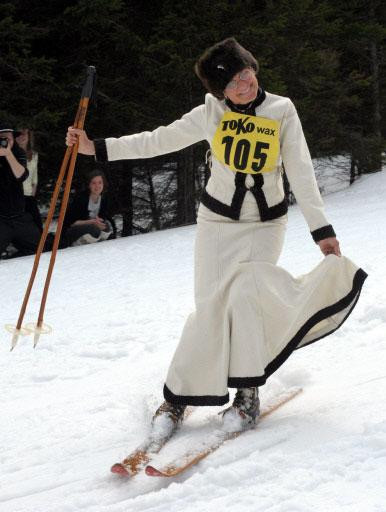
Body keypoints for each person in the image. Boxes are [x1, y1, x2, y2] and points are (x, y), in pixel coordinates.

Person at [66, 38, 367, 440]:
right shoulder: (209, 114)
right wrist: (96, 147)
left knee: (246, 297)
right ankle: (178, 397)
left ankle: (247, 393)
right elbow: (158, 139)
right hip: (217, 224)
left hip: (264, 224)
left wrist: (322, 230)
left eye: (247, 74)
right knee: (209, 307)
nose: (246, 85)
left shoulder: (282, 110)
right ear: (219, 91)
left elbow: (301, 171)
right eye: (235, 82)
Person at [0, 122, 41, 258]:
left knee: (39, 248)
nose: (5, 142)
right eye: (2, 139)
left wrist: (8, 155)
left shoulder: (18, 153)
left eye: (8, 139)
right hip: (1, 219)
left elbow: (21, 175)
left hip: (19, 217)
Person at [62, 169, 116, 247]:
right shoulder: (81, 199)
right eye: (93, 183)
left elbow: (103, 217)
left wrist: (100, 221)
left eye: (100, 182)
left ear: (104, 184)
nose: (97, 186)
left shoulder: (104, 199)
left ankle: (97, 246)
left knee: (106, 227)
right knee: (94, 229)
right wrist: (91, 222)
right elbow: (70, 223)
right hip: (72, 230)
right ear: (89, 185)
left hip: (92, 226)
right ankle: (75, 245)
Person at [15, 128, 43, 232]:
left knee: (36, 221)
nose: (22, 137)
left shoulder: (34, 155)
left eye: (24, 134)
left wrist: (33, 191)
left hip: (29, 195)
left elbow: (34, 176)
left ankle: (40, 242)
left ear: (29, 136)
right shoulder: (12, 155)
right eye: (19, 134)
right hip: (15, 195)